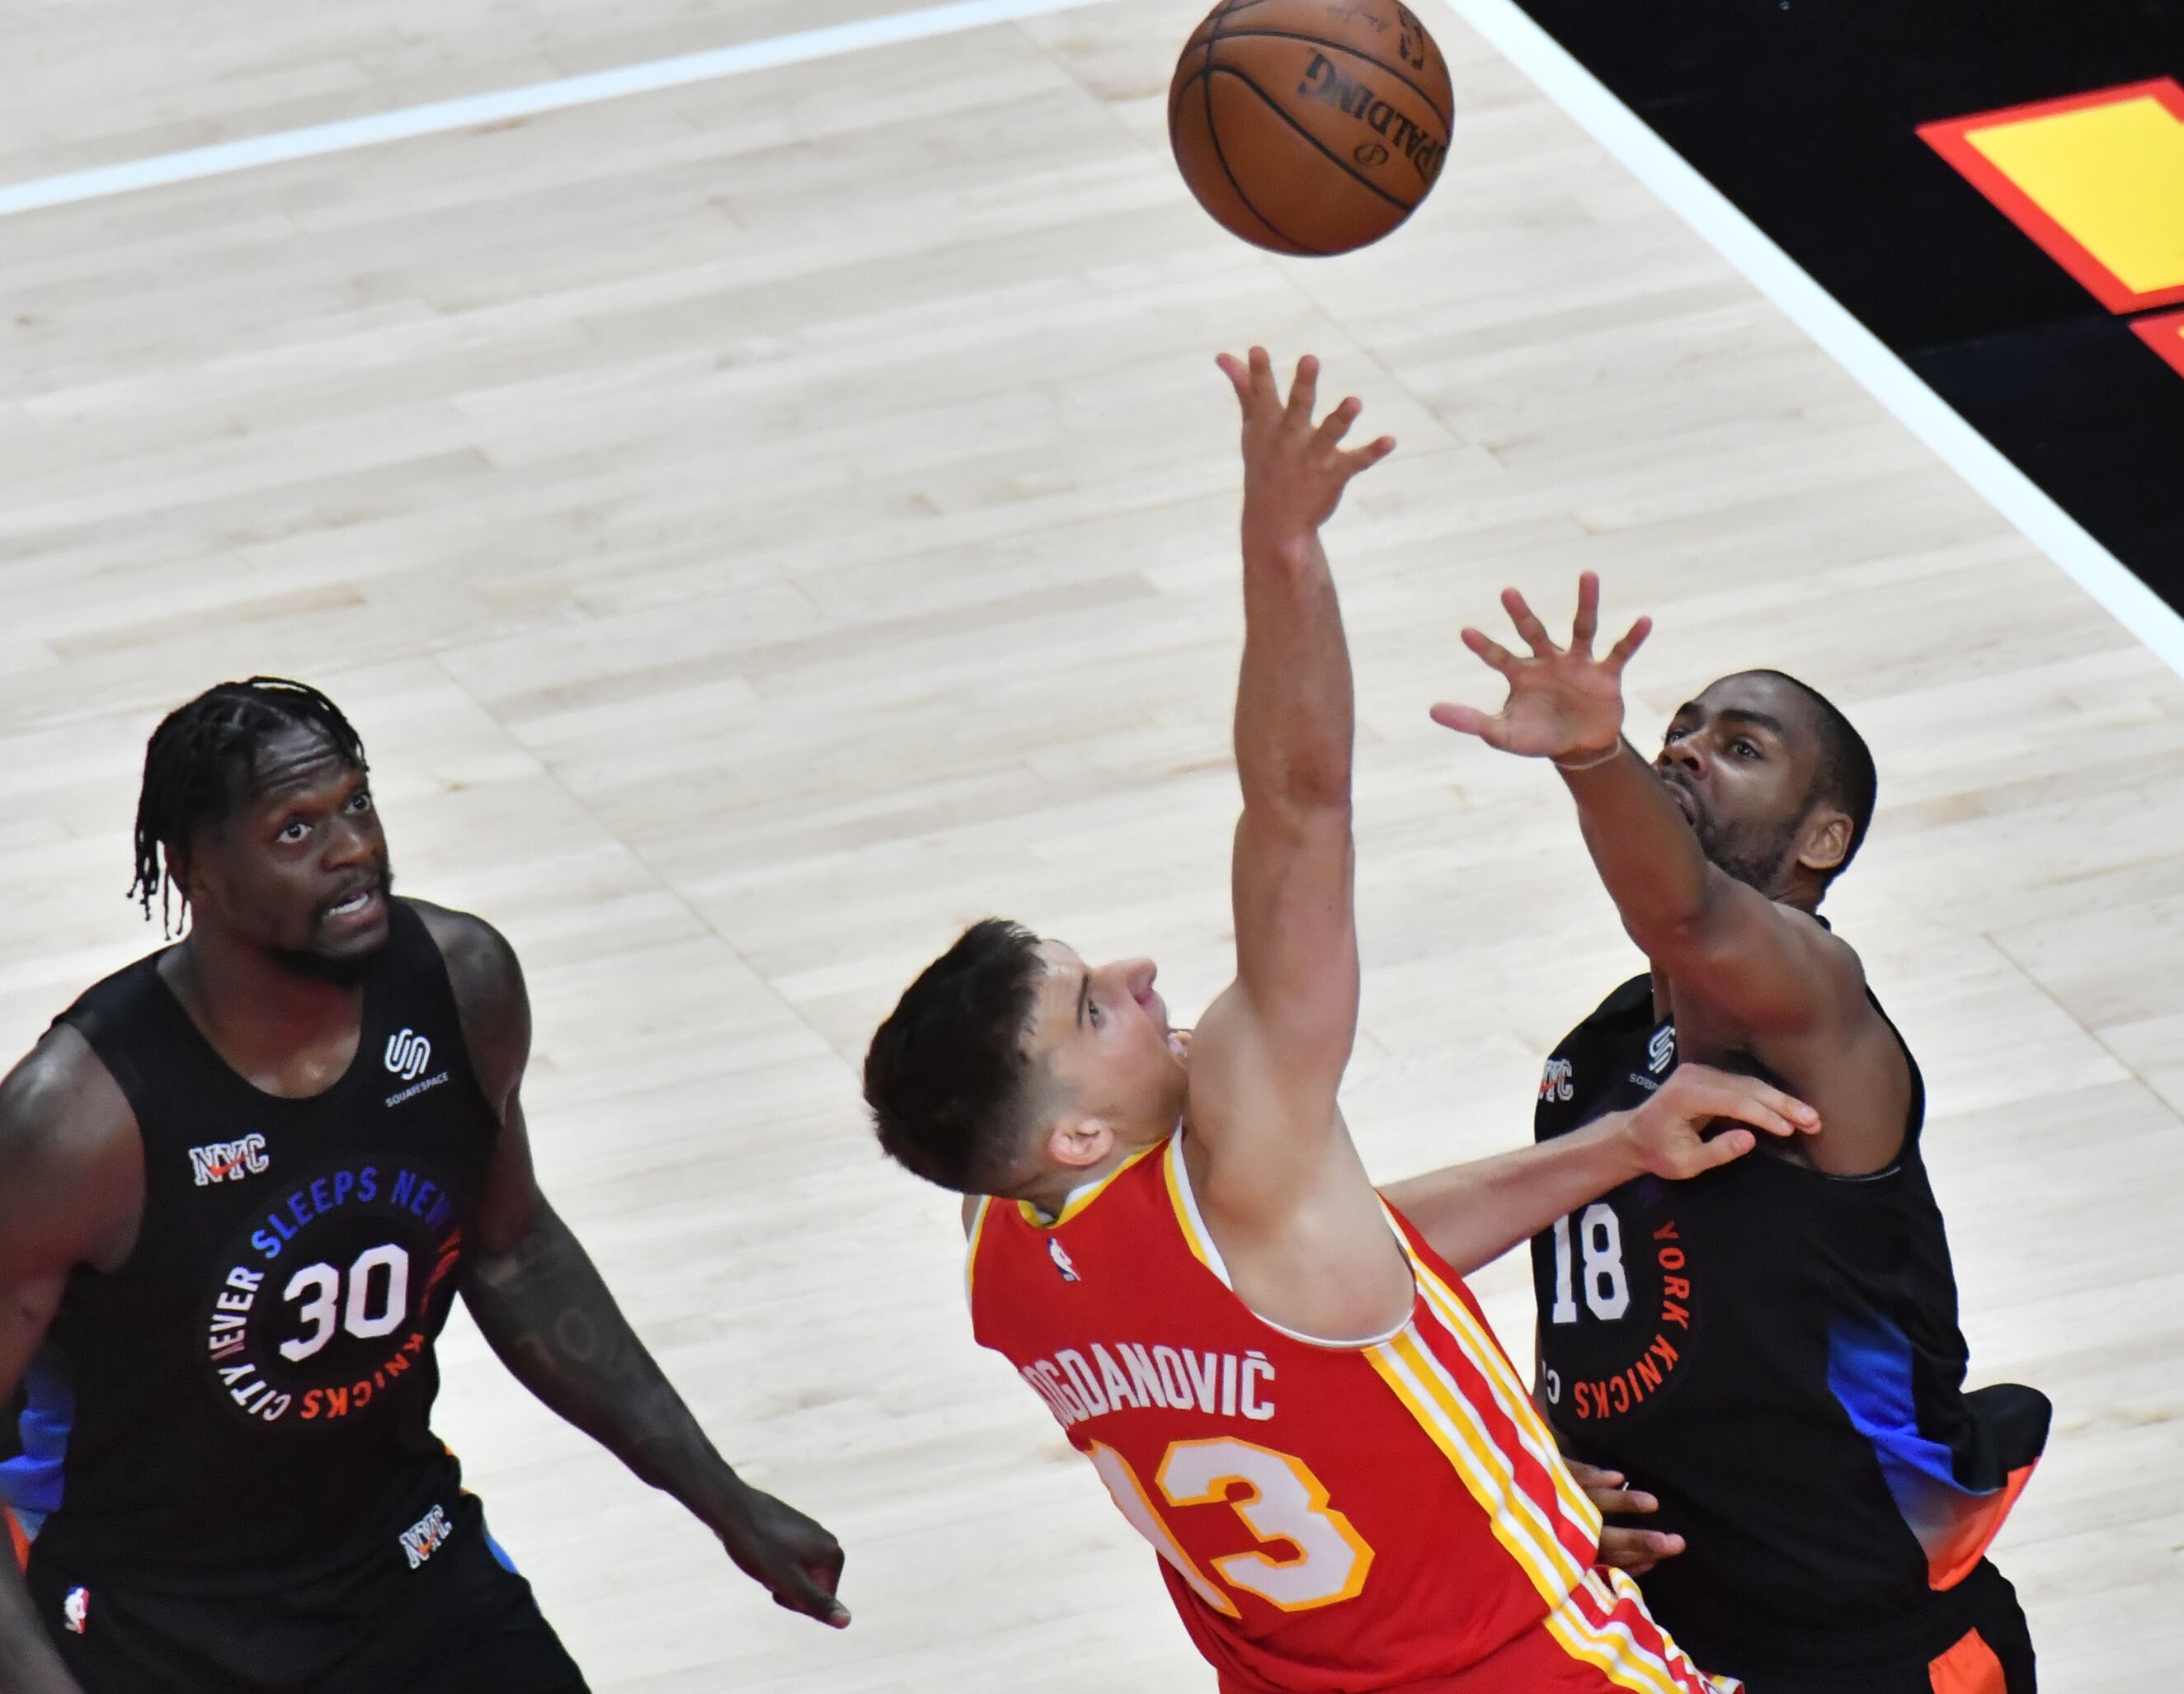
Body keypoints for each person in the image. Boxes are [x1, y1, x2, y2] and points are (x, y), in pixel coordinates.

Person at [862, 350, 1795, 1694]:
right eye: (1090, 1004)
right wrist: (1282, 544)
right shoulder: (1242, 1148)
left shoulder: (999, 1245)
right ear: (1075, 1125)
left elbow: (1356, 1267)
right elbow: (1300, 803)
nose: (1136, 972)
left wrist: (1619, 1143)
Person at [0, 678, 847, 1694]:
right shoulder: (78, 1125)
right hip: (147, 1617)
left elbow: (512, 1248)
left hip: (400, 1563)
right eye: (296, 827)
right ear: (195, 872)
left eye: (357, 804)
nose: (351, 845)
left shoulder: (462, 984)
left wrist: (721, 1495)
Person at [1431, 591, 2045, 1693]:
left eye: (1742, 746)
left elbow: (1691, 920)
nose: (1687, 749)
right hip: (1662, 1638)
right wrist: (1541, 1461)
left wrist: (1589, 756)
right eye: (1685, 728)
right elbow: (1591, 1332)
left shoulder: (1819, 1006)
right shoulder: (1601, 1051)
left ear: (1825, 841)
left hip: (1864, 1655)